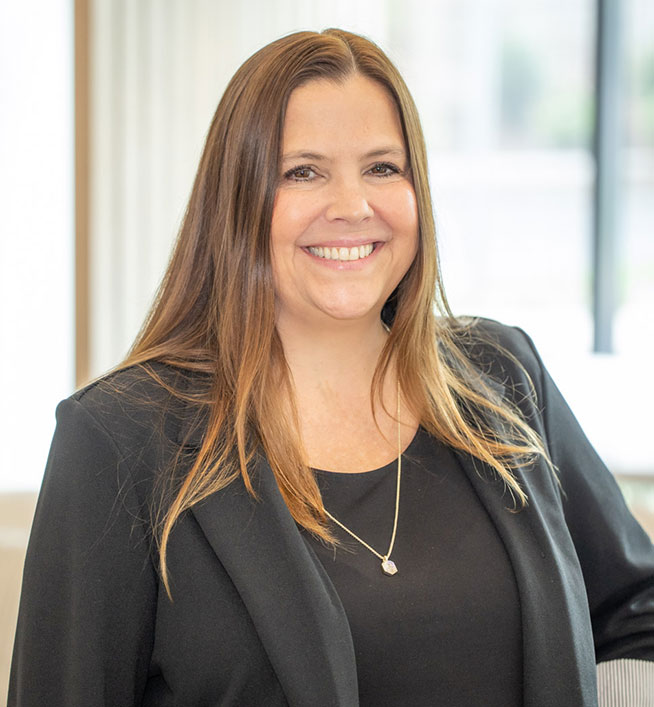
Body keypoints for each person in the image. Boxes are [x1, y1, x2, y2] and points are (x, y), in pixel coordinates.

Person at [8, 28, 654, 707]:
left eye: (383, 167)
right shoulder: (118, 438)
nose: (352, 205)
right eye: (303, 171)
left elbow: (638, 614)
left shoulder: (502, 376)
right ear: (238, 203)